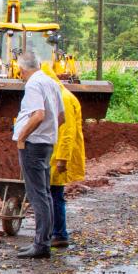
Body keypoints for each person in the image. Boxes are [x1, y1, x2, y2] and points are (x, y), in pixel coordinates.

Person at [11, 53, 65, 258]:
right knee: (46, 194)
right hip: (46, 144)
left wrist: (22, 137)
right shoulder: (51, 83)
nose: (20, 75)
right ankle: (44, 241)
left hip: (33, 145)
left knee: (37, 195)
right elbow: (61, 117)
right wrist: (49, 134)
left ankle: (41, 245)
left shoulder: (33, 84)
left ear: (22, 70)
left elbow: (39, 114)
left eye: (20, 72)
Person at [43, 64, 85, 247]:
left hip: (59, 154)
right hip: (53, 152)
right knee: (52, 193)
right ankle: (53, 231)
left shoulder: (64, 98)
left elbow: (67, 132)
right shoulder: (56, 96)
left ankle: (60, 234)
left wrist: (62, 158)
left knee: (55, 194)